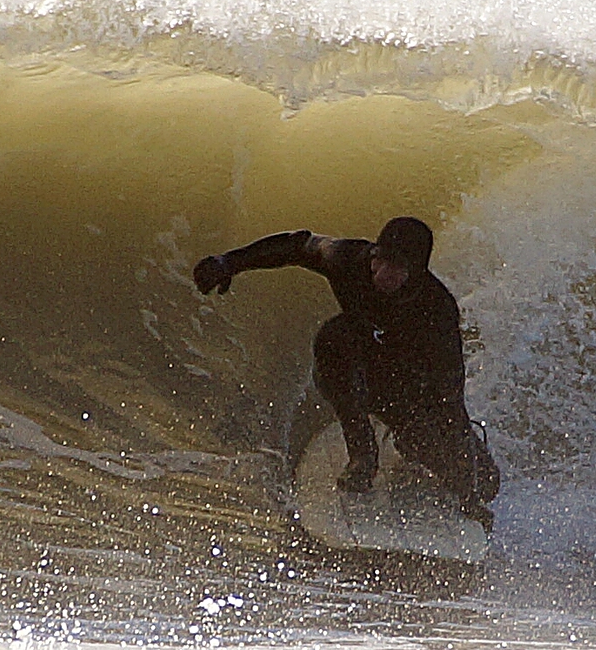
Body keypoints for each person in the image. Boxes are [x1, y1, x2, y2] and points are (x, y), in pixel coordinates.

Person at [193, 217, 499, 527]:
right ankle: (362, 453)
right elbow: (298, 245)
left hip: (411, 394)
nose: (380, 273)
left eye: (395, 267)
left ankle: (419, 444)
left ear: (415, 272)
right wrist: (229, 263)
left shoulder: (436, 309)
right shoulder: (351, 260)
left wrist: (467, 492)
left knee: (486, 483)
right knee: (334, 336)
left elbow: (450, 400)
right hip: (361, 373)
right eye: (379, 259)